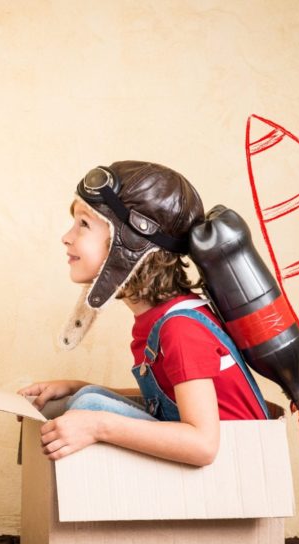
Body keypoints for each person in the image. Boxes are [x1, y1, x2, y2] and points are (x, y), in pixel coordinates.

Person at [18, 161, 269, 467]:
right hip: (216, 466)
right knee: (87, 398)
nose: (66, 237)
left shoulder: (180, 329)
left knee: (90, 408)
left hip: (236, 472)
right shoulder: (157, 321)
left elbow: (203, 445)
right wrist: (77, 387)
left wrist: (97, 423)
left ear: (131, 242)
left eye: (83, 224)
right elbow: (170, 400)